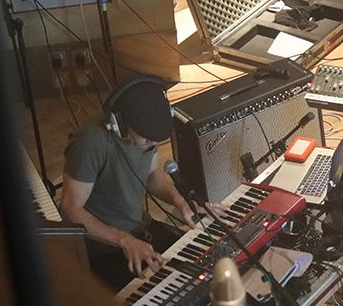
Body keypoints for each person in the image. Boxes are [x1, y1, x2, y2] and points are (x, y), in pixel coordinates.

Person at [59, 75, 222, 291]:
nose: (152, 144)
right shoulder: (90, 142)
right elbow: (70, 210)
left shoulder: (148, 132)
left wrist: (180, 201)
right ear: (119, 123)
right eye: (147, 139)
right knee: (155, 295)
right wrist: (125, 240)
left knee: (203, 267)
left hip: (139, 230)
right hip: (102, 248)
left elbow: (152, 174)